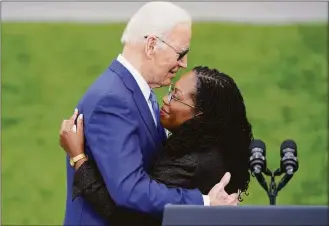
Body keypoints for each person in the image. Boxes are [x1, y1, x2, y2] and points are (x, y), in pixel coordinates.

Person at [62, 2, 239, 226]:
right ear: (152, 45)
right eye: (181, 53)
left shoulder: (137, 90)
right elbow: (130, 190)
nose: (184, 63)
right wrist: (204, 202)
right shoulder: (113, 100)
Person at [60, 66, 253, 226]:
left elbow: (127, 216)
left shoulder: (187, 163)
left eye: (176, 97)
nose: (165, 99)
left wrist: (79, 158)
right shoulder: (216, 143)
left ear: (199, 115)